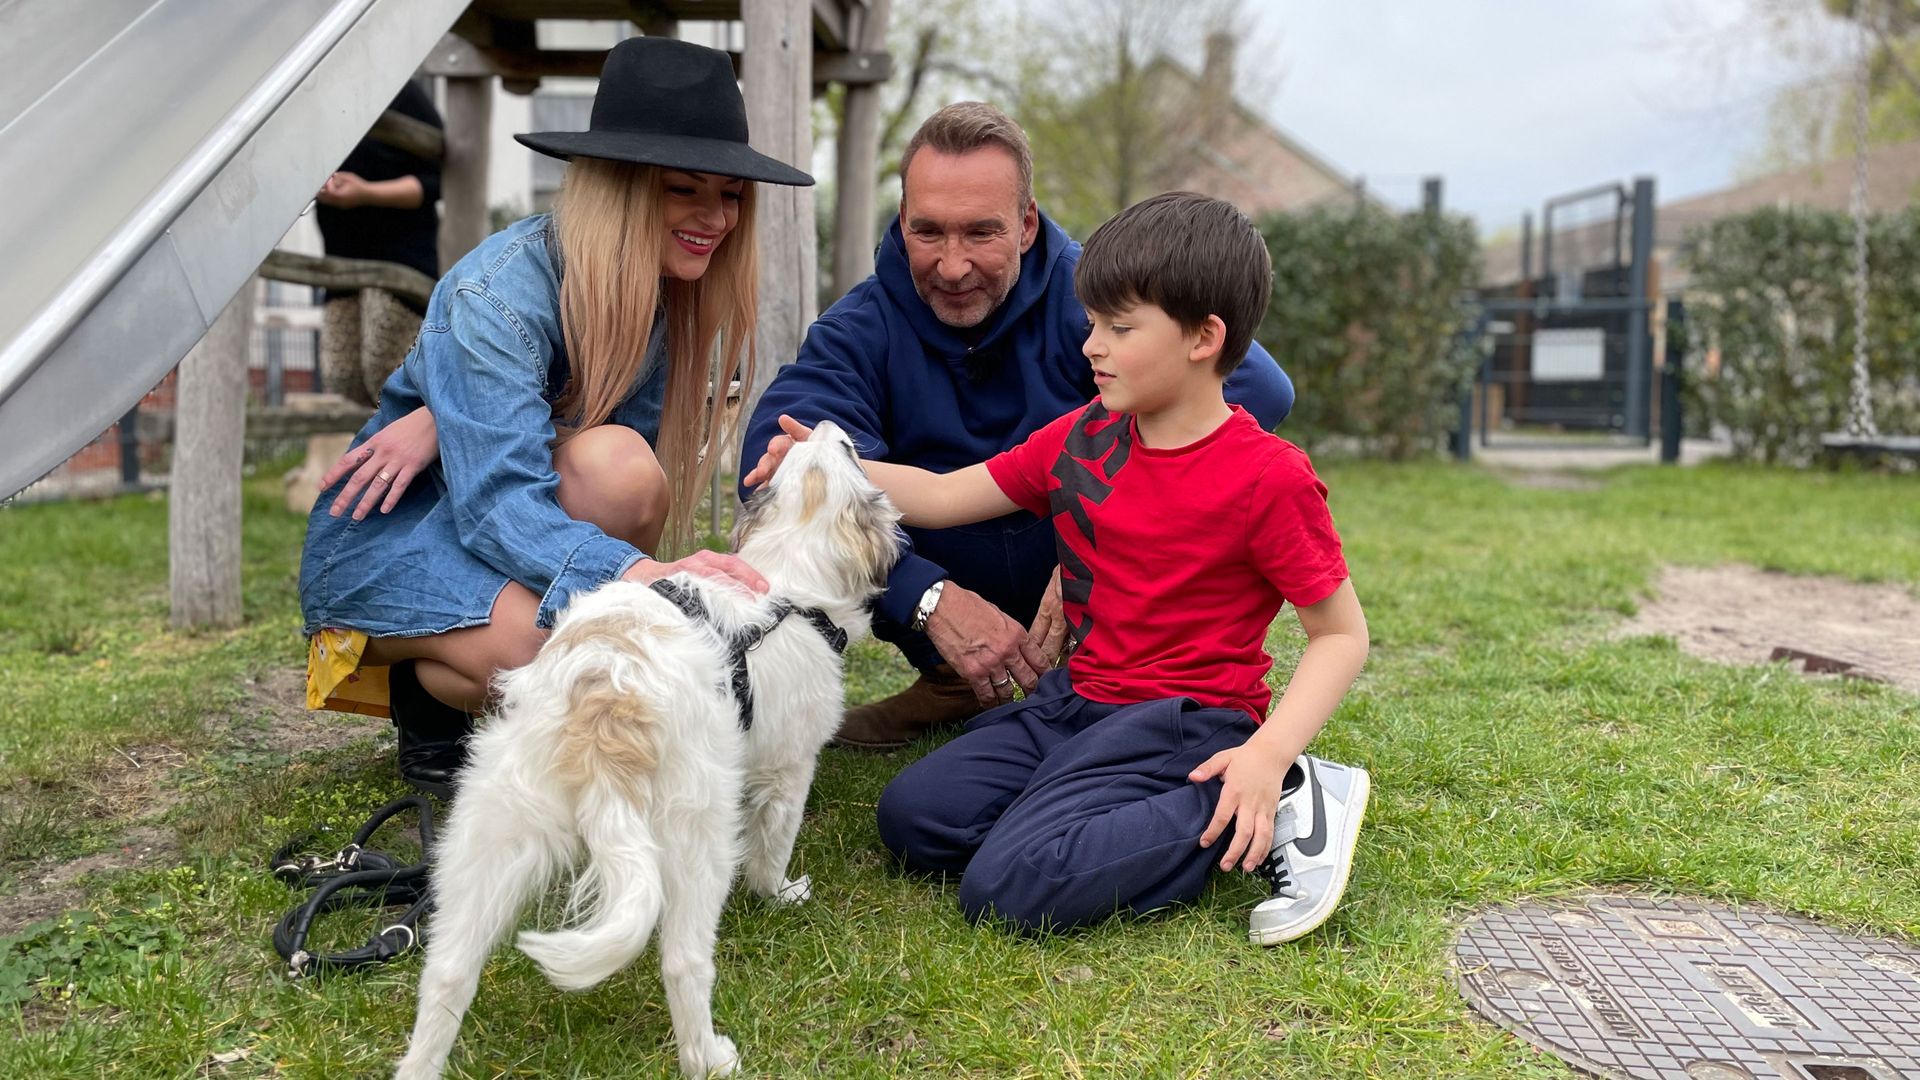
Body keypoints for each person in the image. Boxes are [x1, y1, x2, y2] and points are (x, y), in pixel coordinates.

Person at [751, 192, 1370, 942]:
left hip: (1184, 724)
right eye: (1092, 325)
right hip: (1076, 704)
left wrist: (1271, 753)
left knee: (1007, 890)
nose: (1092, 348)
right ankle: (1081, 815)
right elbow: (948, 496)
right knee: (914, 819)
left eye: (1120, 328)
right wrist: (828, 461)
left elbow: (1340, 635)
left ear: (1204, 337)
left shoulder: (1269, 477)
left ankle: (1284, 799)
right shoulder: (1084, 436)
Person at [298, 37, 814, 797]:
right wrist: (647, 579)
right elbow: (500, 502)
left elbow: (606, 473)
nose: (716, 218)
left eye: (731, 195)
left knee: (624, 478)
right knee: (576, 652)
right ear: (620, 185)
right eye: (685, 189)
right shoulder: (497, 295)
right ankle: (429, 684)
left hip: (497, 528)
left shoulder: (659, 293)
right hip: (394, 534)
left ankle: (448, 685)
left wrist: (452, 416)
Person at [738, 102, 1295, 751]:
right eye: (928, 233)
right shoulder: (859, 329)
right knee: (810, 505)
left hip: (1101, 601)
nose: (951, 266)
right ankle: (951, 680)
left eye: (980, 233)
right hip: (941, 570)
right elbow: (777, 461)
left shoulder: (1097, 297)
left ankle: (1121, 684)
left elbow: (1258, 385)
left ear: (1027, 224)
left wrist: (1095, 536)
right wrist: (929, 596)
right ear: (901, 222)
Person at [313, 78, 444, 407]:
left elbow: (432, 183)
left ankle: (407, 448)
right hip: (341, 257)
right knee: (342, 373)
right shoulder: (314, 89)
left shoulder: (401, 92)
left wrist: (366, 193)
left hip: (399, 257)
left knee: (388, 368)